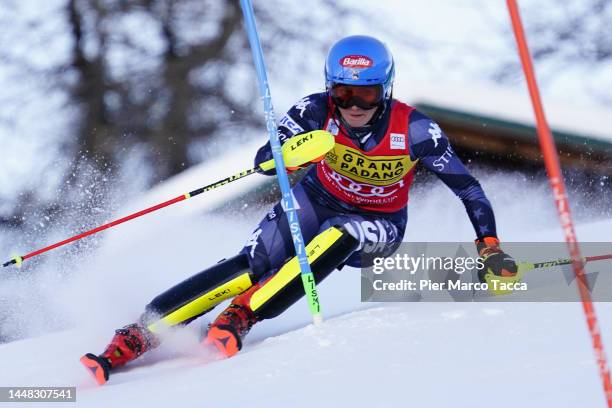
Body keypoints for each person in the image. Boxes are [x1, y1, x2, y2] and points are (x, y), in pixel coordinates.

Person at [81, 35, 518, 384]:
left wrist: (489, 245)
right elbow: (263, 161)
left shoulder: (417, 129)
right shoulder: (315, 109)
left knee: (342, 234)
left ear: (385, 91)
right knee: (251, 265)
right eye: (344, 93)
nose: (353, 107)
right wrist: (286, 156)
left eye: (365, 96)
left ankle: (242, 314)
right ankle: (139, 335)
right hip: (315, 199)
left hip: (378, 223)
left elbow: (468, 188)